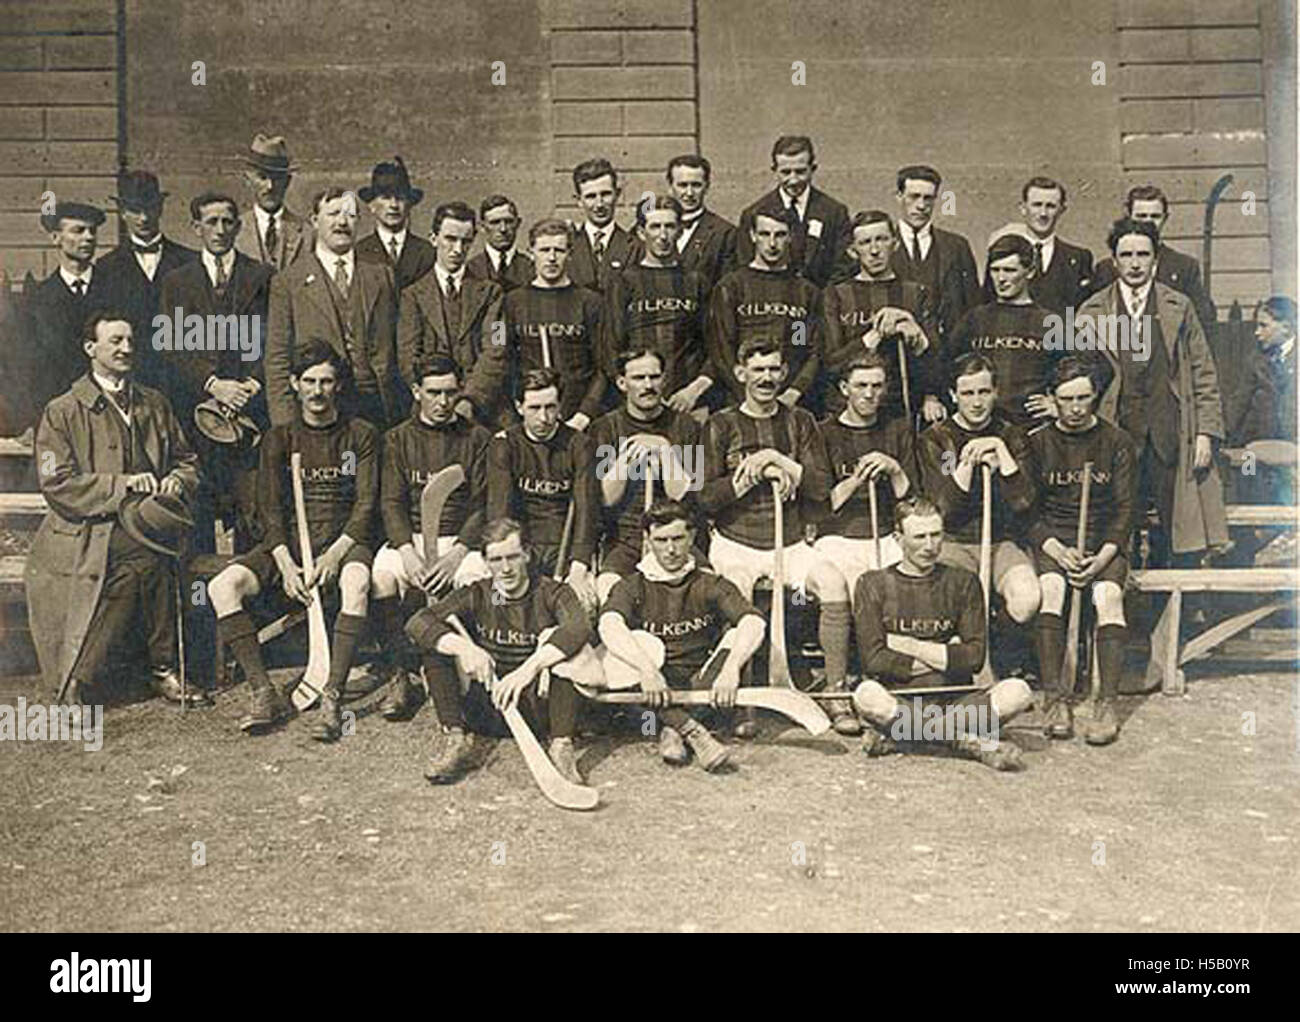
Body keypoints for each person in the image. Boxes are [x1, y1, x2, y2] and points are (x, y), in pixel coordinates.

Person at [26, 310, 205, 708]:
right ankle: (159, 670)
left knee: (141, 562)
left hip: (145, 523)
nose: (127, 349)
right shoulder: (62, 411)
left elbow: (187, 459)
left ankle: (80, 681)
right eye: (115, 342)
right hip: (84, 531)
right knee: (144, 563)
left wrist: (178, 479)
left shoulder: (153, 403)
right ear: (91, 349)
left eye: (129, 340)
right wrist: (119, 484)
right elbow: (56, 482)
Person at [207, 342, 379, 740]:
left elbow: (366, 505)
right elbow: (269, 510)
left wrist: (335, 554)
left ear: (338, 386)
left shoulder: (360, 435)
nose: (318, 391)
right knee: (222, 587)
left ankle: (332, 695)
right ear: (294, 385)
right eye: (310, 382)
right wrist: (285, 564)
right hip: (288, 548)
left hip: (344, 543)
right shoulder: (278, 439)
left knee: (356, 583)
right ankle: (262, 691)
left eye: (326, 382)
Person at [697, 339, 853, 735]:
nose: (766, 377)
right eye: (758, 369)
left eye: (774, 369)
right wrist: (749, 478)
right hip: (737, 542)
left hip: (791, 542)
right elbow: (704, 498)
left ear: (784, 373)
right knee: (736, 593)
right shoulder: (720, 424)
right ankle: (744, 700)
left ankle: (835, 694)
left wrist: (777, 460)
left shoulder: (800, 421)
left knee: (833, 582)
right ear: (741, 373)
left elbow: (821, 487)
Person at [1076, 217, 1227, 565]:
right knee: (1115, 524)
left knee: (1178, 530)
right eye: (1125, 254)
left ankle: (1178, 613)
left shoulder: (1179, 306)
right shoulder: (1092, 311)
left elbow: (1204, 374)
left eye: (1142, 254)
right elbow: (1079, 380)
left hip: (1170, 433)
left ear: (1155, 259)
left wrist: (1205, 433)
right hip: (1115, 432)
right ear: (1113, 260)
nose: (1134, 263)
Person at [405, 517, 595, 786]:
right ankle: (455, 739)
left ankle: (562, 746)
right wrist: (466, 649)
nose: (505, 569)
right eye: (496, 560)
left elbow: (579, 627)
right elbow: (417, 622)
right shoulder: (479, 593)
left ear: (527, 555)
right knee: (436, 645)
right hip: (485, 709)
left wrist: (530, 668)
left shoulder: (552, 592)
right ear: (485, 561)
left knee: (569, 649)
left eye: (512, 557)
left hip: (538, 712)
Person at [850, 497, 1031, 770]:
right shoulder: (871, 584)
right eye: (919, 537)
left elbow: (974, 657)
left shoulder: (964, 582)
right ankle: (965, 742)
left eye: (936, 535)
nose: (929, 546)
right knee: (866, 695)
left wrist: (907, 645)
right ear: (898, 539)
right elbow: (874, 660)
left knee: (1019, 692)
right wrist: (947, 652)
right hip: (900, 700)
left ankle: (904, 738)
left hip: (956, 701)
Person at [598, 499, 767, 771]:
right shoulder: (633, 585)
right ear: (647, 540)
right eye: (661, 540)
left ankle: (672, 729)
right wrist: (646, 670)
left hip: (700, 685)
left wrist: (732, 668)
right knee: (621, 650)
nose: (671, 549)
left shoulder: (709, 583)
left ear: (692, 537)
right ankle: (691, 731)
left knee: (740, 634)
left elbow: (753, 621)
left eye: (678, 538)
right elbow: (608, 623)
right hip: (653, 685)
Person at [1024, 357, 1138, 745]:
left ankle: (1106, 703)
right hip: (1056, 541)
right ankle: (1054, 697)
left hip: (1102, 543)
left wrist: (1101, 559)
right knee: (1051, 592)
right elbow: (1027, 511)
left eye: (1083, 398)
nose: (1075, 408)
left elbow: (1126, 511)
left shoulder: (1117, 441)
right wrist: (1058, 551)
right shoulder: (1037, 442)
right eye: (1066, 398)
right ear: (1051, 399)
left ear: (1095, 397)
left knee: (1109, 598)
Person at [371, 355, 492, 719]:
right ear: (416, 392)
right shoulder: (396, 438)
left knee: (477, 578)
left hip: (460, 543)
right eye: (433, 392)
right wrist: (406, 551)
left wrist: (457, 553)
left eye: (451, 393)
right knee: (381, 576)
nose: (442, 402)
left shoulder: (478, 438)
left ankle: (468, 675)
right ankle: (401, 675)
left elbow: (484, 504)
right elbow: (391, 503)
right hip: (412, 540)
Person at [156, 191, 274, 553]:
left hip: (249, 416)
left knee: (252, 511)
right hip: (197, 419)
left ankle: (250, 603)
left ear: (238, 226)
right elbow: (171, 348)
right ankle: (201, 608)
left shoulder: (262, 275)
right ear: (196, 228)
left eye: (227, 222)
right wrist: (213, 384)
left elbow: (275, 336)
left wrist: (251, 384)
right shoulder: (177, 281)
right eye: (211, 222)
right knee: (199, 514)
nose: (220, 229)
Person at [917, 355, 1042, 646]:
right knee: (951, 610)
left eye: (984, 392)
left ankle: (998, 647)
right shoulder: (936, 438)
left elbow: (1025, 503)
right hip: (952, 542)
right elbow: (943, 510)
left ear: (996, 392)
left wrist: (1002, 453)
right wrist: (967, 464)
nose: (976, 402)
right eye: (967, 393)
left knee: (1027, 599)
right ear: (952, 395)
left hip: (1002, 542)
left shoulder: (1011, 434)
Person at [265, 187, 403, 428]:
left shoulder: (382, 275)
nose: (342, 222)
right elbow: (277, 361)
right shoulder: (288, 282)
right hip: (317, 411)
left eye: (350, 215)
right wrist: (285, 428)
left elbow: (397, 347)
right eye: (333, 213)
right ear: (315, 220)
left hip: (377, 407)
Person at [589, 348, 702, 602]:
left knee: (700, 594)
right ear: (622, 383)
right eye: (639, 378)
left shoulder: (686, 426)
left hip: (677, 538)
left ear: (664, 379)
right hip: (625, 538)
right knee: (609, 591)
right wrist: (627, 458)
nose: (648, 385)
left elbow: (686, 499)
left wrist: (664, 450)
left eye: (654, 377)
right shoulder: (604, 428)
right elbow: (605, 499)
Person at [486, 368, 600, 609]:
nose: (544, 418)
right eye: (534, 408)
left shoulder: (580, 444)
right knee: (498, 601)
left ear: (560, 406)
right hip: (522, 546)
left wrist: (579, 566)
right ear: (519, 407)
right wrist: (510, 562)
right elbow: (499, 512)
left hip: (565, 546)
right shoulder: (503, 444)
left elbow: (587, 510)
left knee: (584, 604)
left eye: (550, 407)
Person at [814, 354, 918, 599]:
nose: (869, 394)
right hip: (839, 537)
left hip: (887, 537)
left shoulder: (898, 429)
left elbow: (912, 500)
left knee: (907, 591)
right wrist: (856, 479)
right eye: (861, 385)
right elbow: (821, 505)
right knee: (863, 591)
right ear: (844, 389)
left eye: (876, 386)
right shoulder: (823, 432)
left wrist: (894, 469)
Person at [822, 209, 941, 422]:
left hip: (902, 410)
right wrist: (873, 336)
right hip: (846, 412)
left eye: (882, 239)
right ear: (852, 251)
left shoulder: (916, 293)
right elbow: (830, 364)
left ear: (895, 244)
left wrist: (916, 333)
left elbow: (939, 361)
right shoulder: (836, 295)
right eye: (865, 242)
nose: (875, 250)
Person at [395, 201, 506, 427]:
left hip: (482, 407)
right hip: (429, 408)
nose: (457, 249)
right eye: (450, 239)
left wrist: (469, 400)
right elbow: (407, 356)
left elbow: (497, 349)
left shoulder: (492, 293)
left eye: (466, 241)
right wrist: (436, 399)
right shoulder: (412, 296)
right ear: (434, 238)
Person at [707, 204, 825, 411]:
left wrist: (793, 392)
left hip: (789, 403)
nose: (772, 243)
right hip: (740, 401)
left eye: (780, 235)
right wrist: (747, 397)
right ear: (753, 235)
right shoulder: (732, 286)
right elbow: (723, 350)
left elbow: (804, 347)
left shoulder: (804, 292)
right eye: (764, 234)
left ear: (790, 237)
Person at [602, 194, 711, 414]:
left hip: (689, 403)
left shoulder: (696, 281)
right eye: (655, 227)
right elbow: (611, 347)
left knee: (690, 450)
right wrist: (641, 393)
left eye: (670, 227)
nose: (662, 235)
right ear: (642, 233)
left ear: (680, 231)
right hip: (638, 404)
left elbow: (714, 344)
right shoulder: (624, 282)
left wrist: (694, 390)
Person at [95, 170, 197, 389]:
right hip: (131, 379)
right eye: (134, 210)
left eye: (149, 209)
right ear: (122, 213)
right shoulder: (105, 268)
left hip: (183, 380)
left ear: (160, 209)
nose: (143, 218)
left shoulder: (190, 262)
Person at [501, 218, 607, 429]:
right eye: (544, 250)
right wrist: (516, 415)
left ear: (570, 254)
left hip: (578, 418)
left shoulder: (591, 302)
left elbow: (604, 367)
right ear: (531, 253)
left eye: (558, 250)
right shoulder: (511, 302)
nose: (551, 258)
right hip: (530, 418)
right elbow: (502, 363)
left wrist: (585, 414)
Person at [948, 233, 1058, 429]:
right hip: (981, 428)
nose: (1001, 279)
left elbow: (1097, 367)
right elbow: (943, 366)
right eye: (995, 270)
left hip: (1031, 430)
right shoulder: (975, 319)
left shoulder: (1048, 321)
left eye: (1009, 270)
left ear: (1030, 271)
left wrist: (1059, 404)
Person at [21, 202, 112, 427]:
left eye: (92, 231)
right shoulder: (37, 299)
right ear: (55, 238)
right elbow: (30, 367)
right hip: (57, 415)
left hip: (109, 412)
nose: (89, 237)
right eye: (78, 230)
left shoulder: (117, 290)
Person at [734, 135, 853, 288]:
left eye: (800, 171)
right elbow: (746, 268)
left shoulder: (834, 212)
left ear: (813, 169)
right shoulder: (754, 213)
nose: (794, 179)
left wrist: (820, 300)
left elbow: (843, 267)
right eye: (785, 172)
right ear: (774, 171)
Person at [1091, 185, 1215, 331]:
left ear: (1165, 218)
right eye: (1141, 216)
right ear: (1129, 216)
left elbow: (1203, 316)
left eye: (1155, 216)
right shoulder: (1107, 269)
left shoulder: (1184, 267)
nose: (1148, 222)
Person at [889, 164, 981, 347]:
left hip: (946, 354)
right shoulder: (882, 246)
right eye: (914, 197)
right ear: (899, 197)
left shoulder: (957, 246)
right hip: (895, 354)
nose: (921, 206)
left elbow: (972, 307)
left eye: (928, 198)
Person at [982, 177, 1093, 315]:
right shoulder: (1003, 254)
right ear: (1023, 208)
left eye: (1050, 206)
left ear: (1062, 210)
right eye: (1037, 205)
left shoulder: (1078, 258)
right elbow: (988, 303)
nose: (1043, 213)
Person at [355, 156, 436, 289]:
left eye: (400, 198)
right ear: (372, 205)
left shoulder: (428, 253)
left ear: (409, 204)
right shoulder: (359, 253)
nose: (393, 205)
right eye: (385, 198)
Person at [236, 133, 307, 271]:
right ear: (248, 180)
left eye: (277, 178)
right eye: (262, 177)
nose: (270, 186)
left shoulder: (308, 233)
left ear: (287, 182)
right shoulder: (233, 231)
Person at [665, 154, 735, 292]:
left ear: (707, 187)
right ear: (670, 186)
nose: (689, 193)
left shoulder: (725, 234)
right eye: (682, 185)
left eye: (696, 185)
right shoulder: (650, 227)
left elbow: (726, 290)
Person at [567, 158, 638, 292]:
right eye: (591, 196)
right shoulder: (567, 245)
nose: (599, 204)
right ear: (578, 201)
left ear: (617, 195)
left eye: (605, 194)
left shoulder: (635, 247)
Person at [466, 194, 534, 291]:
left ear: (518, 223)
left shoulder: (531, 268)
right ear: (482, 227)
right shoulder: (470, 269)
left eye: (509, 221)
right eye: (495, 222)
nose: (503, 229)